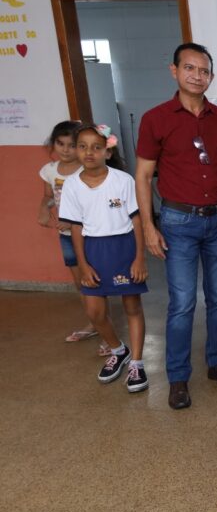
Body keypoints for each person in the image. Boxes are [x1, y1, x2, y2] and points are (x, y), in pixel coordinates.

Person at [135, 42, 217, 409]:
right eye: (190, 68)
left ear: (211, 76)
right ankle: (178, 378)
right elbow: (144, 174)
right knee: (181, 303)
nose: (198, 76)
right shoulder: (156, 118)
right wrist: (149, 226)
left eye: (204, 71)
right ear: (174, 71)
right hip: (178, 221)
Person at [58, 124, 148, 393]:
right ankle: (118, 350)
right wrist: (83, 265)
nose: (89, 152)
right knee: (94, 311)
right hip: (92, 251)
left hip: (123, 248)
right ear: (76, 150)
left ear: (107, 152)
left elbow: (137, 220)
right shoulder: (72, 185)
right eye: (82, 146)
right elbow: (75, 227)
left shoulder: (123, 180)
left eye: (97, 147)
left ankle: (138, 363)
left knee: (132, 306)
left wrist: (139, 259)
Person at [38, 120, 97, 346]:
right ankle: (94, 323)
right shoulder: (49, 171)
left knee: (95, 281)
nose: (65, 149)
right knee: (81, 283)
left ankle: (105, 324)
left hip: (90, 235)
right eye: (60, 144)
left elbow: (94, 203)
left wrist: (72, 221)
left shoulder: (88, 170)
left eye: (72, 145)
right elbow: (48, 196)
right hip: (66, 238)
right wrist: (44, 208)